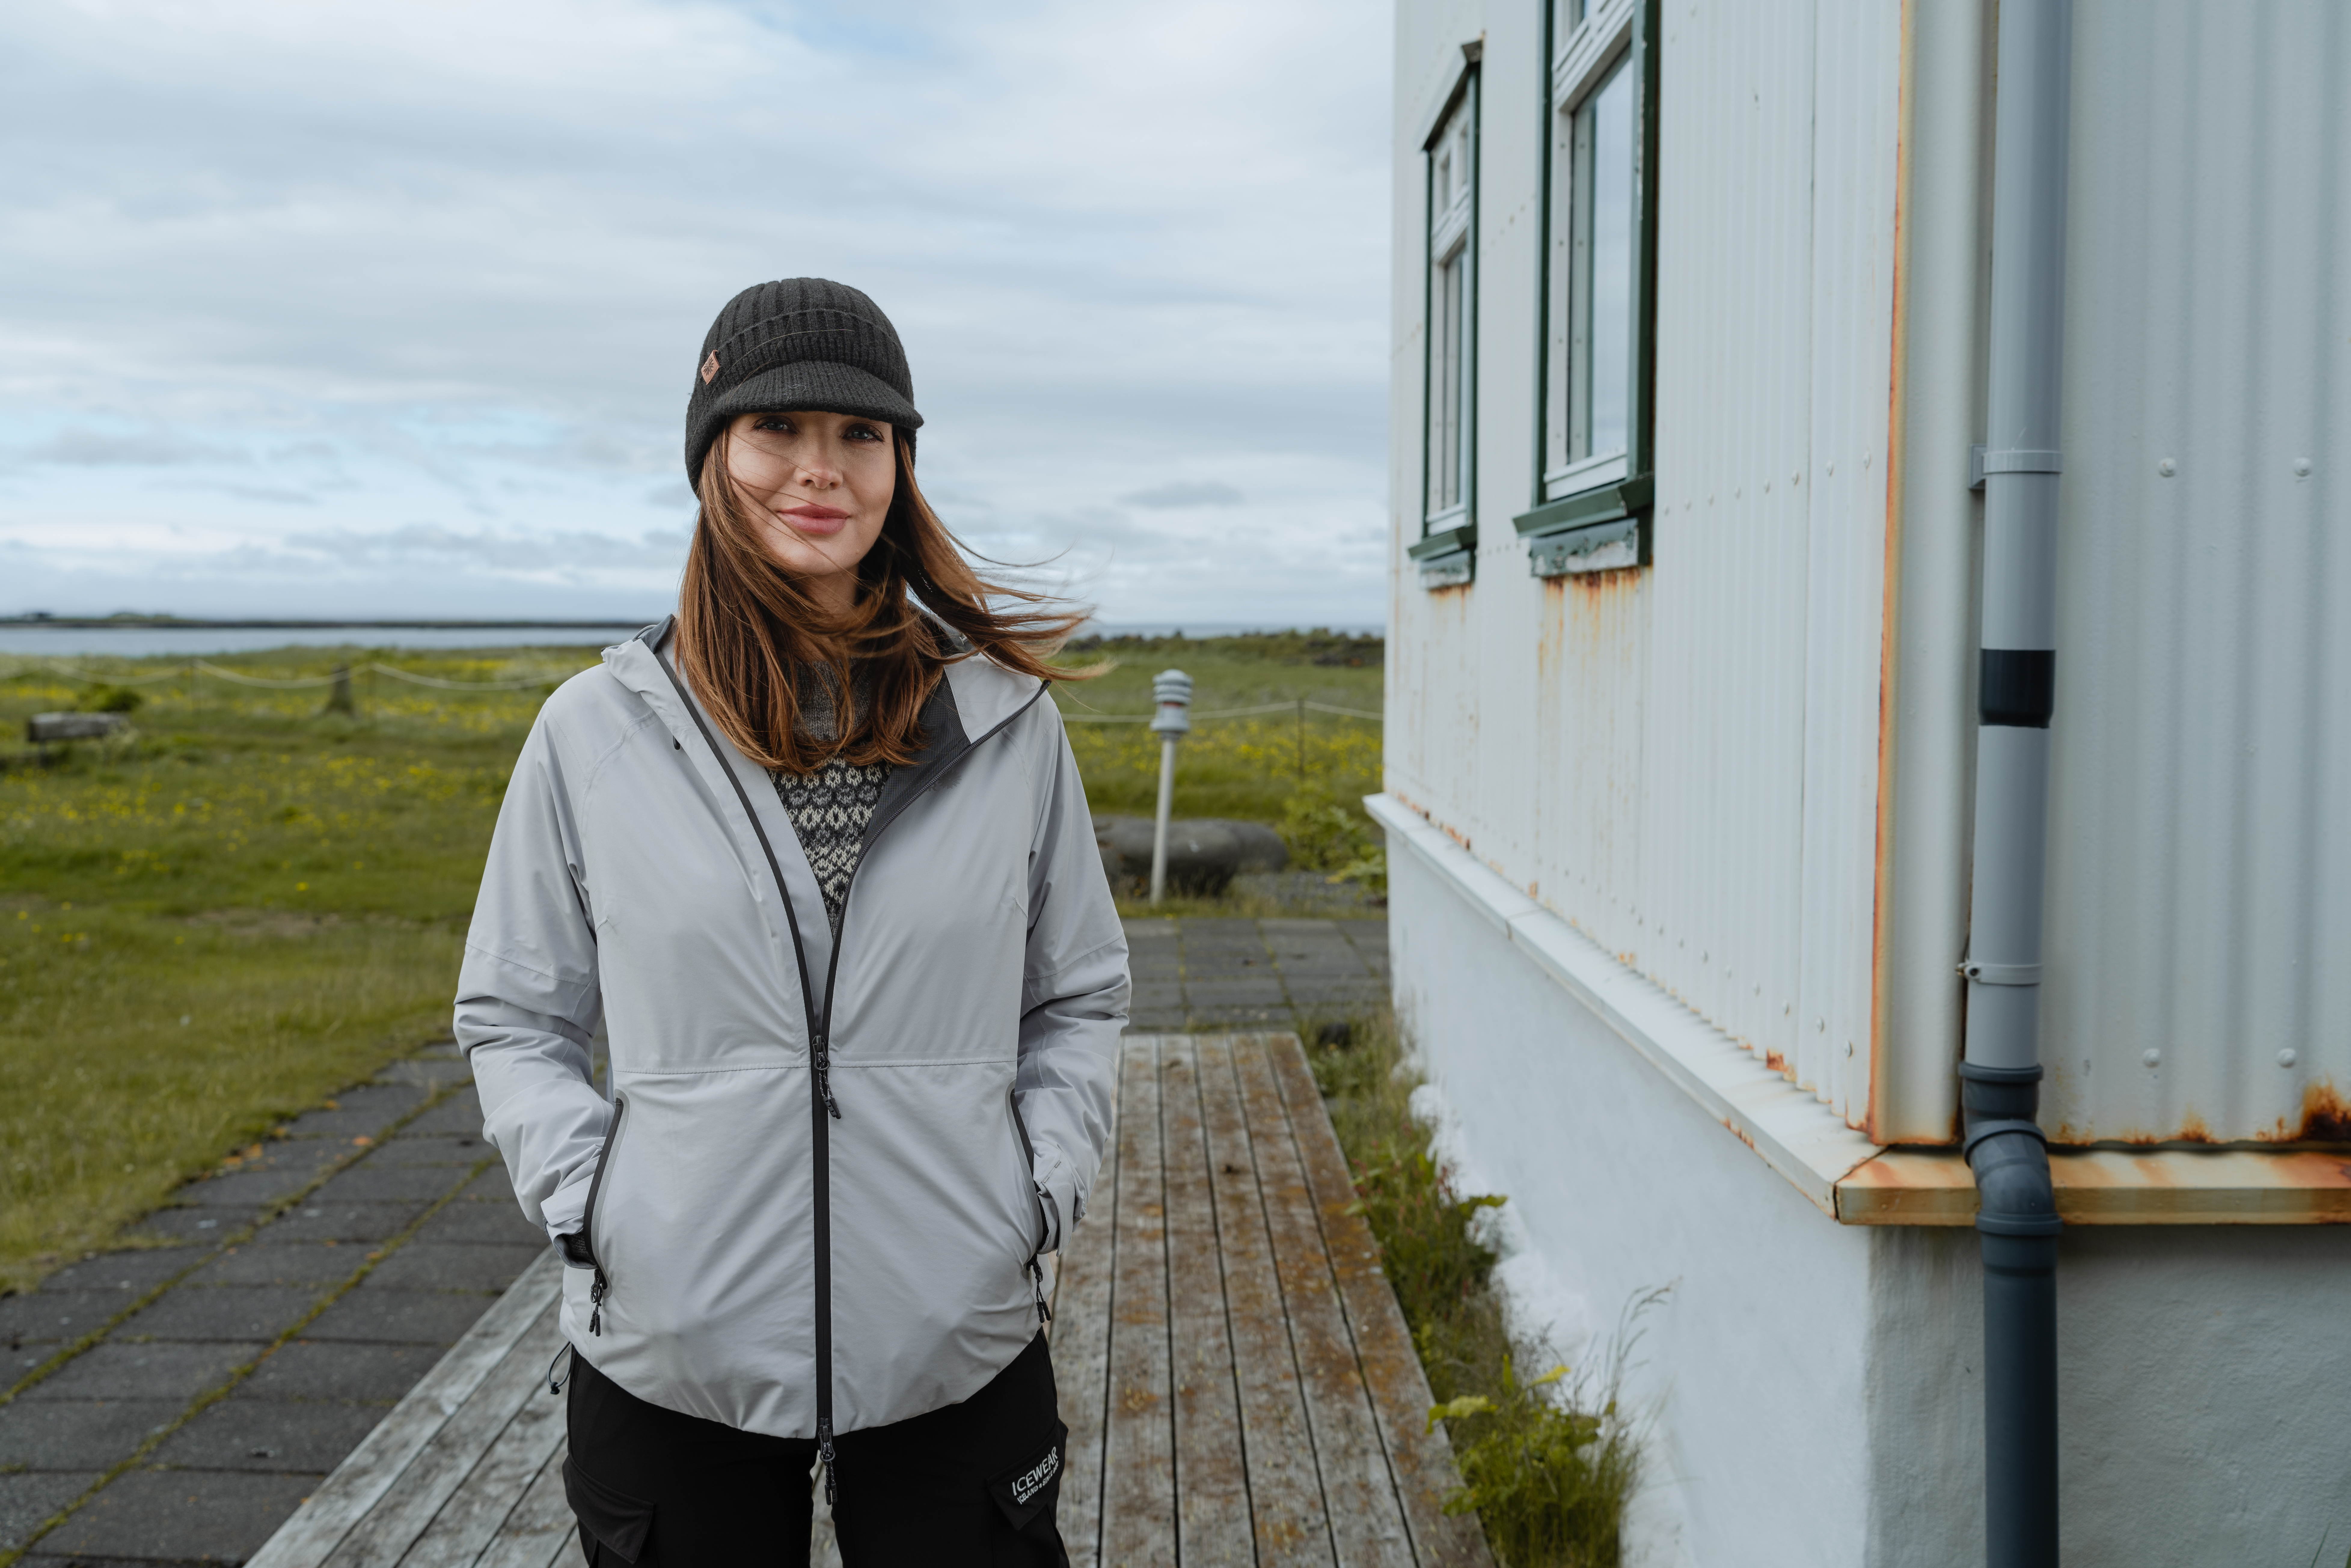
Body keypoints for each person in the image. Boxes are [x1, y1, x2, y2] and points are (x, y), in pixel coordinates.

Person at [455, 277, 1129, 1564]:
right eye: (777, 432)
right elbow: (514, 1013)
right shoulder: (595, 734)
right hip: (673, 1345)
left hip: (957, 1330)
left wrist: (1035, 1191)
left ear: (901, 464)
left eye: (860, 436)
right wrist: (597, 1202)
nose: (819, 472)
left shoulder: (1005, 724)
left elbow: (1080, 992)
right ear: (713, 457)